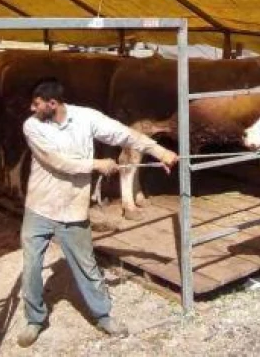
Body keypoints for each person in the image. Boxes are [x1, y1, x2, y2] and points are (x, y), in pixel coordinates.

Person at [16, 77, 179, 348]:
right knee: (31, 265)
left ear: (53, 103)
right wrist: (98, 164)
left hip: (74, 208)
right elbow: (57, 161)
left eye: (37, 104)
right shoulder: (32, 126)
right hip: (40, 207)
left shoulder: (85, 118)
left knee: (87, 264)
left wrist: (160, 151)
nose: (32, 109)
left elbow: (124, 134)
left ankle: (103, 316)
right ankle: (34, 319)